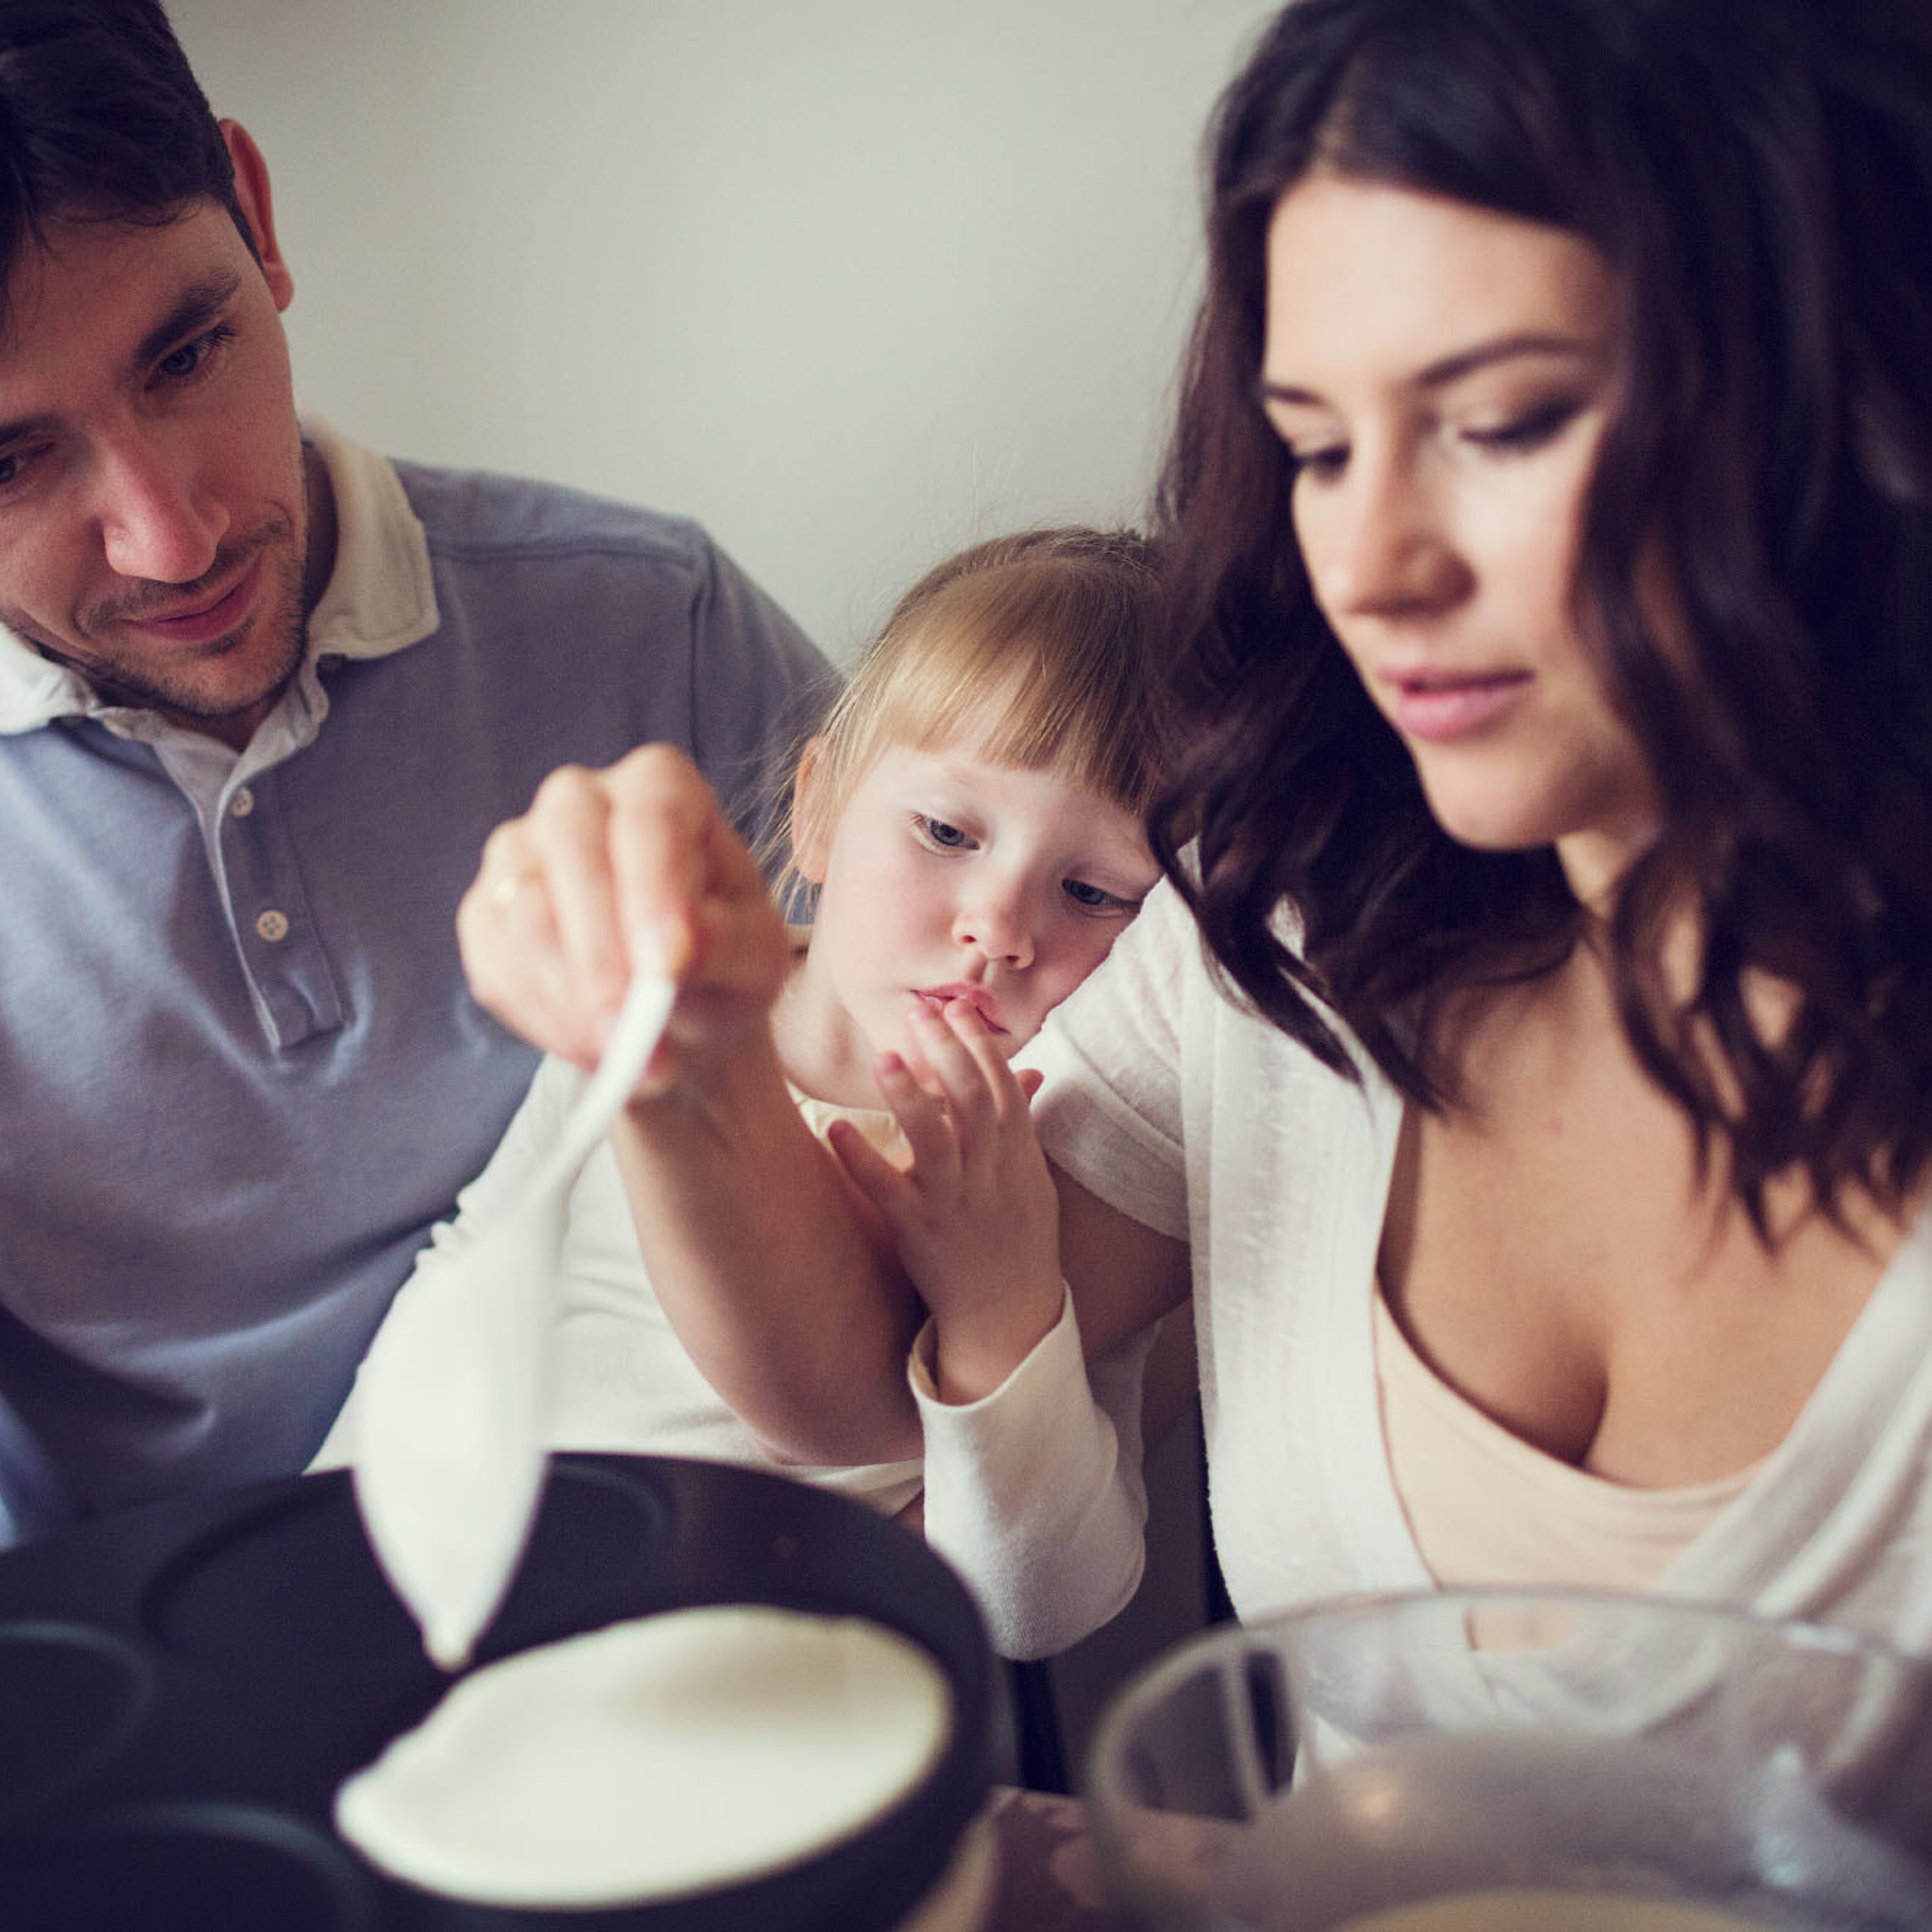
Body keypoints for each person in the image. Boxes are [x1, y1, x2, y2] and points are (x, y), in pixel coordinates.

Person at [452, 0, 1932, 1666]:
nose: (1361, 565)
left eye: (1502, 422)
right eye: (1313, 445)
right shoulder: (1266, 924)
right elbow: (867, 1373)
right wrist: (695, 1057)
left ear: (1851, 389)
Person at [0, 0, 829, 1546]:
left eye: (188, 354)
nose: (170, 538)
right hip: (142, 1686)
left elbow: (930, 1145)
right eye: (11, 461)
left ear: (255, 209)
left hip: (683, 1583)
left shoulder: (661, 628)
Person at [315, 528, 1170, 1629]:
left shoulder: (1063, 1156)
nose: (995, 928)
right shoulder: (665, 990)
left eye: (1096, 893)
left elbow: (1044, 1609)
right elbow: (466, 1274)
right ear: (816, 810)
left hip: (756, 1699)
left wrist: (1001, 1308)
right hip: (462, 1598)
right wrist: (324, 1553)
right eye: (948, 831)